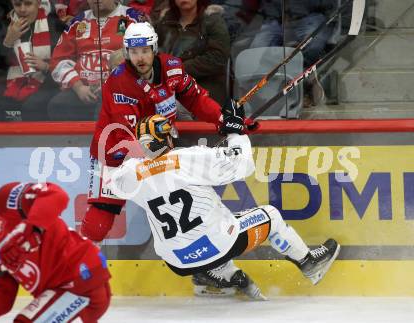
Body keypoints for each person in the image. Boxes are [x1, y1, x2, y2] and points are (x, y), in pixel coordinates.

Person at [108, 104, 340, 299]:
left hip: (177, 262)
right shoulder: (188, 158)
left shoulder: (132, 173)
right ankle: (309, 263)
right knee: (270, 216)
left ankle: (208, 274)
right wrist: (236, 132)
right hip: (219, 245)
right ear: (167, 137)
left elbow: (114, 184)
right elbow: (242, 165)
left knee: (214, 226)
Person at [82, 21, 253, 245]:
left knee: (184, 206)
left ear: (154, 49)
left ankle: (205, 263)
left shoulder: (172, 67)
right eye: (134, 52)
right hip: (115, 155)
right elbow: (130, 137)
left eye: (145, 51)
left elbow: (195, 98)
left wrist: (223, 119)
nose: (140, 58)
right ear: (127, 53)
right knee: (101, 214)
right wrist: (163, 160)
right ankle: (78, 261)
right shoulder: (119, 83)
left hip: (157, 147)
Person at [0, 159, 111, 322]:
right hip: (57, 291)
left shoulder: (7, 198)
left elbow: (56, 195)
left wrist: (33, 229)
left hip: (83, 277)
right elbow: (1, 295)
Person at [48, 0, 146, 121]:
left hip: (121, 91)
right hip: (83, 90)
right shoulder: (77, 22)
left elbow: (146, 58)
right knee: (57, 105)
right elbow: (59, 61)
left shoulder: (134, 18)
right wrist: (78, 86)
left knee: (106, 110)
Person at [0, 0, 64, 121]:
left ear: (38, 3)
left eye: (28, 4)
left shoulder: (55, 25)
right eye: (17, 5)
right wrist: (7, 42)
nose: (22, 9)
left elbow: (67, 64)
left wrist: (46, 66)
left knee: (33, 107)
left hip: (47, 83)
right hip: (12, 84)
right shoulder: (6, 26)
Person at [155, 0, 230, 105]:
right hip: (167, 88)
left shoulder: (212, 21)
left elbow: (217, 58)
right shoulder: (166, 22)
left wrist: (177, 70)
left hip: (204, 88)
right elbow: (154, 53)